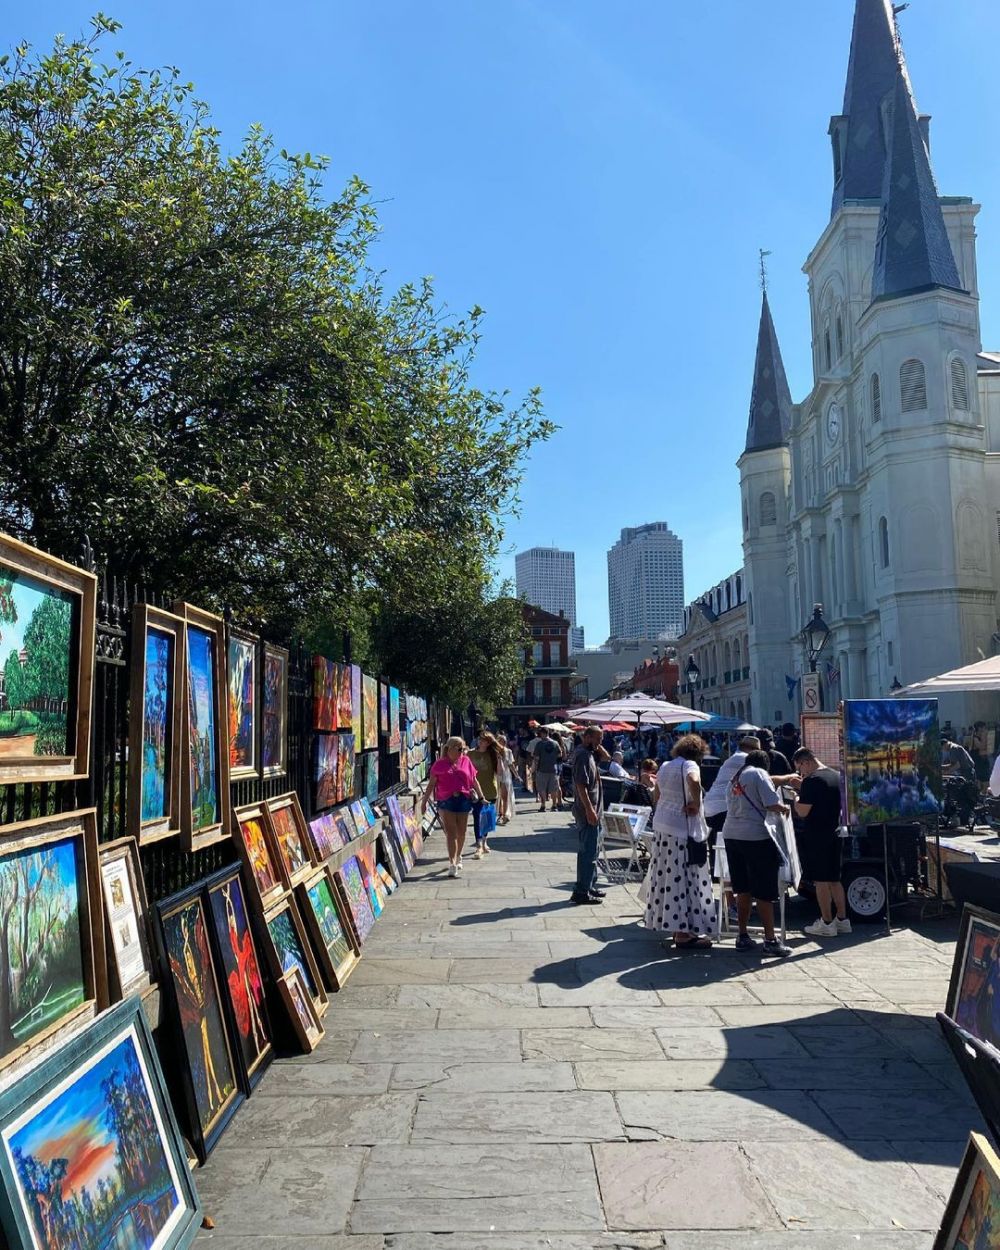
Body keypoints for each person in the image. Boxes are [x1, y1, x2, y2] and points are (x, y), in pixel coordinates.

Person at [643, 735, 716, 949]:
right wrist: (695, 802)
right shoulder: (690, 764)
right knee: (684, 878)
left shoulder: (665, 765)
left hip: (662, 826)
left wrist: (668, 803)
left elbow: (656, 795)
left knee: (668, 877)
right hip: (681, 829)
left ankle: (676, 927)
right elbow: (694, 781)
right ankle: (684, 932)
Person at [721, 749, 793, 957]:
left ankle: (742, 936)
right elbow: (771, 802)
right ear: (765, 764)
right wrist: (785, 809)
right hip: (756, 837)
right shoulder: (759, 774)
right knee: (764, 890)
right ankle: (770, 940)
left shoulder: (735, 778)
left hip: (731, 835)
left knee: (742, 888)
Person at [791, 747, 851, 937]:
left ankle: (826, 922)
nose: (801, 773)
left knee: (821, 881)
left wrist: (795, 798)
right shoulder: (835, 775)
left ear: (806, 762)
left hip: (817, 835)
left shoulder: (812, 780)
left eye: (800, 768)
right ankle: (842, 920)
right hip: (836, 832)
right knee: (835, 879)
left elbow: (802, 811)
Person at [421, 736, 486, 876]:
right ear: (449, 748)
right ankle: (452, 863)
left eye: (464, 749)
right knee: (451, 833)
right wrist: (424, 801)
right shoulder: (439, 764)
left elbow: (474, 780)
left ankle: (458, 855)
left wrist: (481, 797)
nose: (462, 752)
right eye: (460, 749)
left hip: (464, 799)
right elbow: (431, 784)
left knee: (461, 832)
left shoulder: (466, 761)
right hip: (446, 800)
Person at [570, 726, 610, 904]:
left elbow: (608, 758)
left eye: (601, 739)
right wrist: (589, 809)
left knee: (593, 851)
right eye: (597, 739)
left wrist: (597, 745)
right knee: (587, 851)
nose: (600, 742)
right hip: (587, 811)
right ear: (586, 737)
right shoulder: (583, 756)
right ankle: (581, 891)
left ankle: (588, 885)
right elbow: (581, 785)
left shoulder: (590, 753)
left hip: (594, 809)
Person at [468, 731, 502, 858]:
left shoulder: (493, 755)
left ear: (488, 743)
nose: (480, 742)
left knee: (487, 818)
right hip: (475, 792)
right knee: (477, 817)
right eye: (480, 739)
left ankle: (484, 841)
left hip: (490, 790)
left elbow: (499, 773)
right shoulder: (470, 754)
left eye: (483, 740)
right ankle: (479, 845)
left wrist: (499, 759)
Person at [532, 726, 564, 813]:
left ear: (543, 733)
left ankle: (543, 805)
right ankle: (554, 805)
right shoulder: (555, 743)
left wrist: (534, 768)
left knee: (541, 788)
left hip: (542, 769)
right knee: (554, 788)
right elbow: (560, 754)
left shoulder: (539, 744)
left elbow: (536, 757)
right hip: (553, 769)